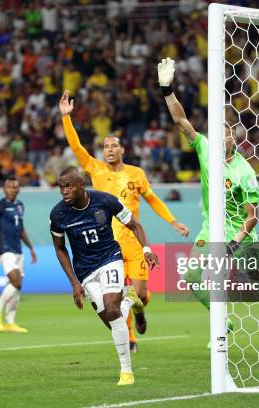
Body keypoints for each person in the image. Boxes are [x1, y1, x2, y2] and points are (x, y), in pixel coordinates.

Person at [158, 58, 259, 361]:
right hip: (211, 229)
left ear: (234, 138)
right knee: (192, 277)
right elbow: (181, 121)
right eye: (219, 133)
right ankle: (223, 323)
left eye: (228, 133)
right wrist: (167, 90)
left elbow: (252, 216)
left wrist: (234, 244)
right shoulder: (204, 148)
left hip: (241, 235)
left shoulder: (244, 172)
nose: (223, 138)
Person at [59, 89, 189, 352]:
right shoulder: (95, 169)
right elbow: (76, 147)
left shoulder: (136, 173)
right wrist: (66, 118)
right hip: (109, 247)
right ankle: (130, 337)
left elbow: (152, 200)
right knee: (116, 297)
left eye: (113, 146)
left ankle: (140, 310)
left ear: (122, 149)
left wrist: (173, 221)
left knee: (139, 295)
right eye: (105, 146)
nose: (109, 150)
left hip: (133, 241)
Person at [50, 167, 159, 385]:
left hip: (110, 258)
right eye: (61, 187)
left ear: (81, 185)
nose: (64, 191)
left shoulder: (105, 201)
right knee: (113, 321)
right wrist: (74, 283)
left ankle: (126, 372)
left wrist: (146, 249)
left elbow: (135, 225)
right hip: (85, 271)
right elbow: (60, 248)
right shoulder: (58, 214)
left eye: (69, 186)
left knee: (111, 308)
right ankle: (129, 299)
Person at [0, 177, 37, 333]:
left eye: (15, 187)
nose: (13, 189)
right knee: (16, 282)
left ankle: (10, 322)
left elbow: (21, 229)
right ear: (4, 189)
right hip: (5, 249)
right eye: (10, 187)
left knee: (16, 288)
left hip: (18, 249)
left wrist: (31, 248)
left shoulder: (20, 206)